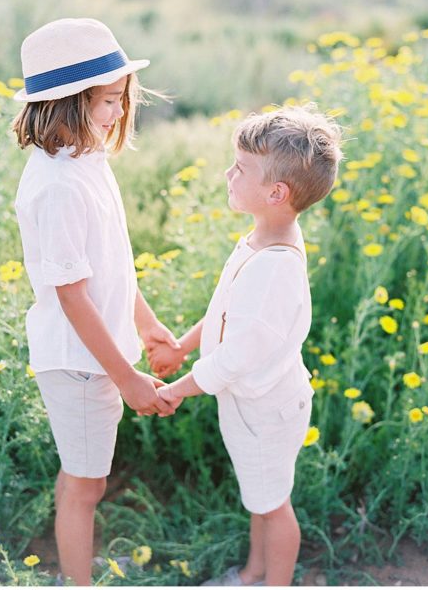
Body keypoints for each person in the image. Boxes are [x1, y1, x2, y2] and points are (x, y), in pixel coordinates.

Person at [11, 18, 179, 586]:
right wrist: (126, 376)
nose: (118, 112)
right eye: (108, 101)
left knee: (79, 474)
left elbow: (112, 267)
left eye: (120, 99)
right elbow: (73, 297)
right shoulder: (57, 185)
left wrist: (148, 326)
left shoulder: (88, 163)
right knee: (87, 486)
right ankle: (76, 582)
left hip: (95, 356)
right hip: (82, 362)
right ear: (66, 104)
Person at [153, 105, 343, 586]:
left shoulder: (275, 267)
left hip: (266, 411)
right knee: (260, 495)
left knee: (273, 504)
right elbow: (223, 310)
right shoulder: (261, 239)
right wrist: (183, 344)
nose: (227, 174)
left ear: (276, 193)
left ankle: (271, 582)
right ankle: (254, 573)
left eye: (239, 169)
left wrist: (178, 389)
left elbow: (235, 357)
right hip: (252, 407)